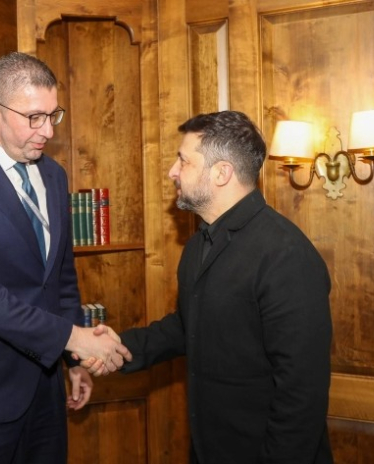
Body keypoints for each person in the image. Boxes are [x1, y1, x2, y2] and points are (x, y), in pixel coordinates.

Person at [0, 51, 131, 464]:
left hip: (44, 387)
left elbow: (60, 278)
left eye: (53, 115)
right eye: (34, 117)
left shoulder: (54, 175)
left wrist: (73, 360)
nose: (47, 131)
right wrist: (73, 338)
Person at [87, 111, 333, 463]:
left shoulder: (286, 255)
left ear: (221, 173)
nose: (172, 171)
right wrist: (115, 348)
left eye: (184, 160)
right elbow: (188, 326)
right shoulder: (198, 244)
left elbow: (301, 396)